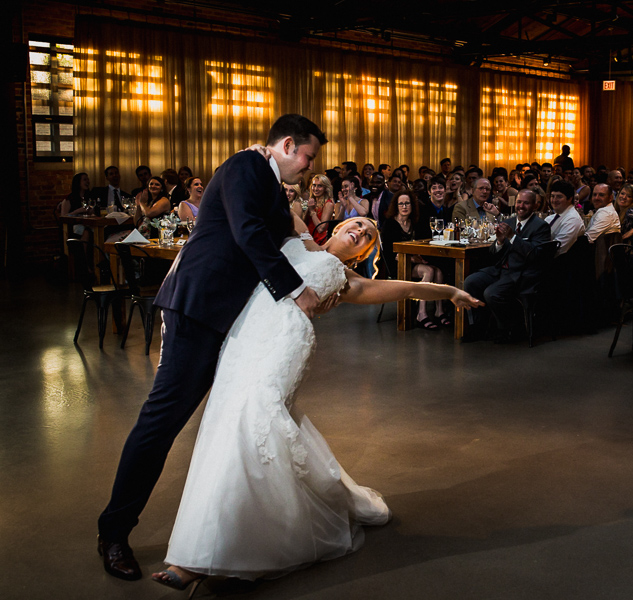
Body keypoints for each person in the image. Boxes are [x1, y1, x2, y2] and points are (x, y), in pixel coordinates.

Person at [150, 217, 481, 592]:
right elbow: (278, 195)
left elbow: (404, 290)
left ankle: (202, 555)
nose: (361, 231)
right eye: (356, 224)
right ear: (337, 228)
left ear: (364, 252)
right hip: (243, 340)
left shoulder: (346, 280)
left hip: (283, 347)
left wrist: (449, 291)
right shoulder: (298, 240)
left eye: (369, 236)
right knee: (226, 424)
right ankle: (228, 535)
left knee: (256, 420)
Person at [97, 114, 329, 583]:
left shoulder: (265, 176)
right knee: (162, 421)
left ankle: (221, 539)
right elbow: (247, 233)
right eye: (307, 157)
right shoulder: (245, 166)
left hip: (223, 316)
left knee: (211, 423)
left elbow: (284, 236)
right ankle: (114, 531)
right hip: (197, 308)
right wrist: (295, 290)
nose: (308, 168)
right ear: (287, 144)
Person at [463, 189, 551, 343]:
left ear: (534, 206)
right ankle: (477, 327)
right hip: (500, 269)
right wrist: (499, 242)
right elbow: (493, 253)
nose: (521, 206)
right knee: (471, 282)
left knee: (492, 293)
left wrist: (512, 237)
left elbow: (534, 254)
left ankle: (507, 329)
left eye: (526, 203)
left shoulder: (540, 226)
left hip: (521, 273)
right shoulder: (509, 222)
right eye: (519, 202)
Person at [380, 190, 449, 328]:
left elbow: (424, 243)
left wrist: (418, 258)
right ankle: (421, 313)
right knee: (429, 272)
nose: (404, 206)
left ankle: (439, 311)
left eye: (407, 203)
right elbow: (391, 253)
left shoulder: (415, 222)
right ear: (396, 206)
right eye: (401, 204)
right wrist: (413, 259)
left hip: (414, 261)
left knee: (439, 272)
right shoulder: (390, 224)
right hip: (397, 264)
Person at [545, 179, 585, 256]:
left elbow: (558, 249)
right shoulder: (552, 217)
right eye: (552, 196)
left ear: (570, 199)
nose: (554, 200)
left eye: (559, 197)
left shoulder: (572, 219)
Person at [295, 174, 335, 244]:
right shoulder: (313, 201)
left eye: (320, 186)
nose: (316, 189)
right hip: (309, 239)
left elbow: (321, 229)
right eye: (314, 185)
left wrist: (312, 211)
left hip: (319, 242)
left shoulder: (328, 204)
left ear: (325, 188)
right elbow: (304, 223)